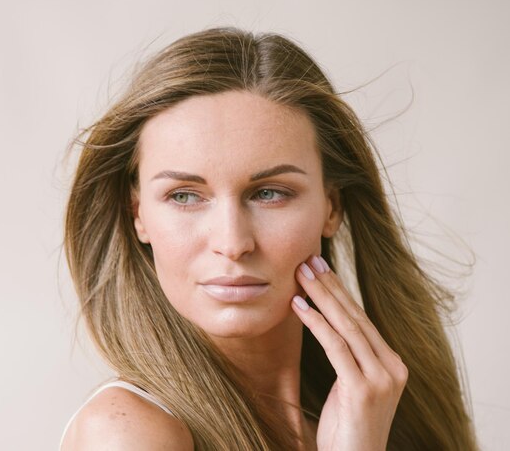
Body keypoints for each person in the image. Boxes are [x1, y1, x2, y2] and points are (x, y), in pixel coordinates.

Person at [59, 27, 479, 450]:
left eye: (269, 193)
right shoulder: (126, 432)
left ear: (331, 207)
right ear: (139, 216)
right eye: (184, 196)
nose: (233, 242)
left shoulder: (368, 416)